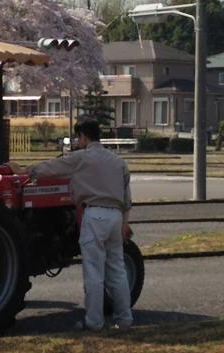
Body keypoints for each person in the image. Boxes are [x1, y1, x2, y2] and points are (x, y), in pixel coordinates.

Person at [7, 118, 133, 332]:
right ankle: (124, 319)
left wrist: (25, 170)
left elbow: (53, 167)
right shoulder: (118, 161)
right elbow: (127, 198)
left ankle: (94, 322)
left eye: (78, 137)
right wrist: (125, 223)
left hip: (94, 215)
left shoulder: (81, 158)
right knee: (117, 270)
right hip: (116, 217)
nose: (78, 141)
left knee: (94, 271)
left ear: (84, 136)